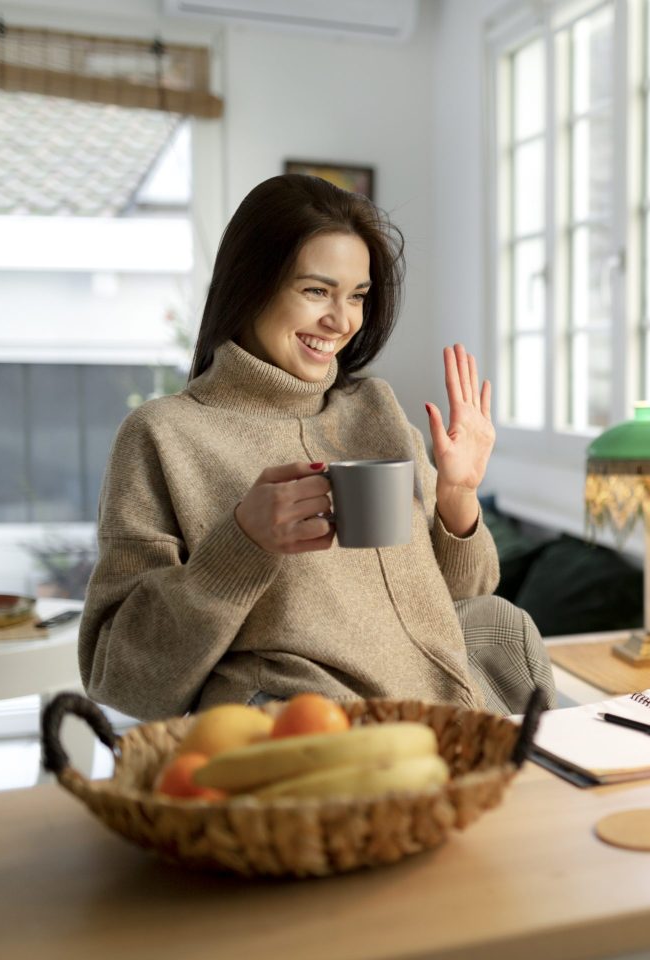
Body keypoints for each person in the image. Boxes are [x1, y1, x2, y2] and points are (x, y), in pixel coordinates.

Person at [78, 174, 554, 721]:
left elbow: (462, 593)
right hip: (313, 731)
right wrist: (242, 546)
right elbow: (120, 676)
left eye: (357, 296)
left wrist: (457, 497)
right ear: (250, 284)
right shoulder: (164, 435)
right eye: (315, 291)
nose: (342, 320)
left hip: (460, 716)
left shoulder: (376, 409)